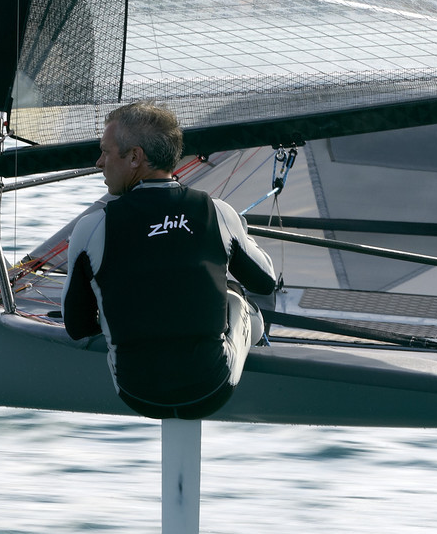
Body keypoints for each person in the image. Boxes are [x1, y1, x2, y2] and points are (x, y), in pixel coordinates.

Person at [63, 102, 278, 420]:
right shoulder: (216, 212)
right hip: (210, 390)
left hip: (137, 394)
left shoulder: (93, 225)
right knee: (238, 299)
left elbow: (77, 326)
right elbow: (265, 281)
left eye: (106, 153)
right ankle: (252, 338)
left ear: (135, 157)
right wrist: (238, 231)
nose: (99, 163)